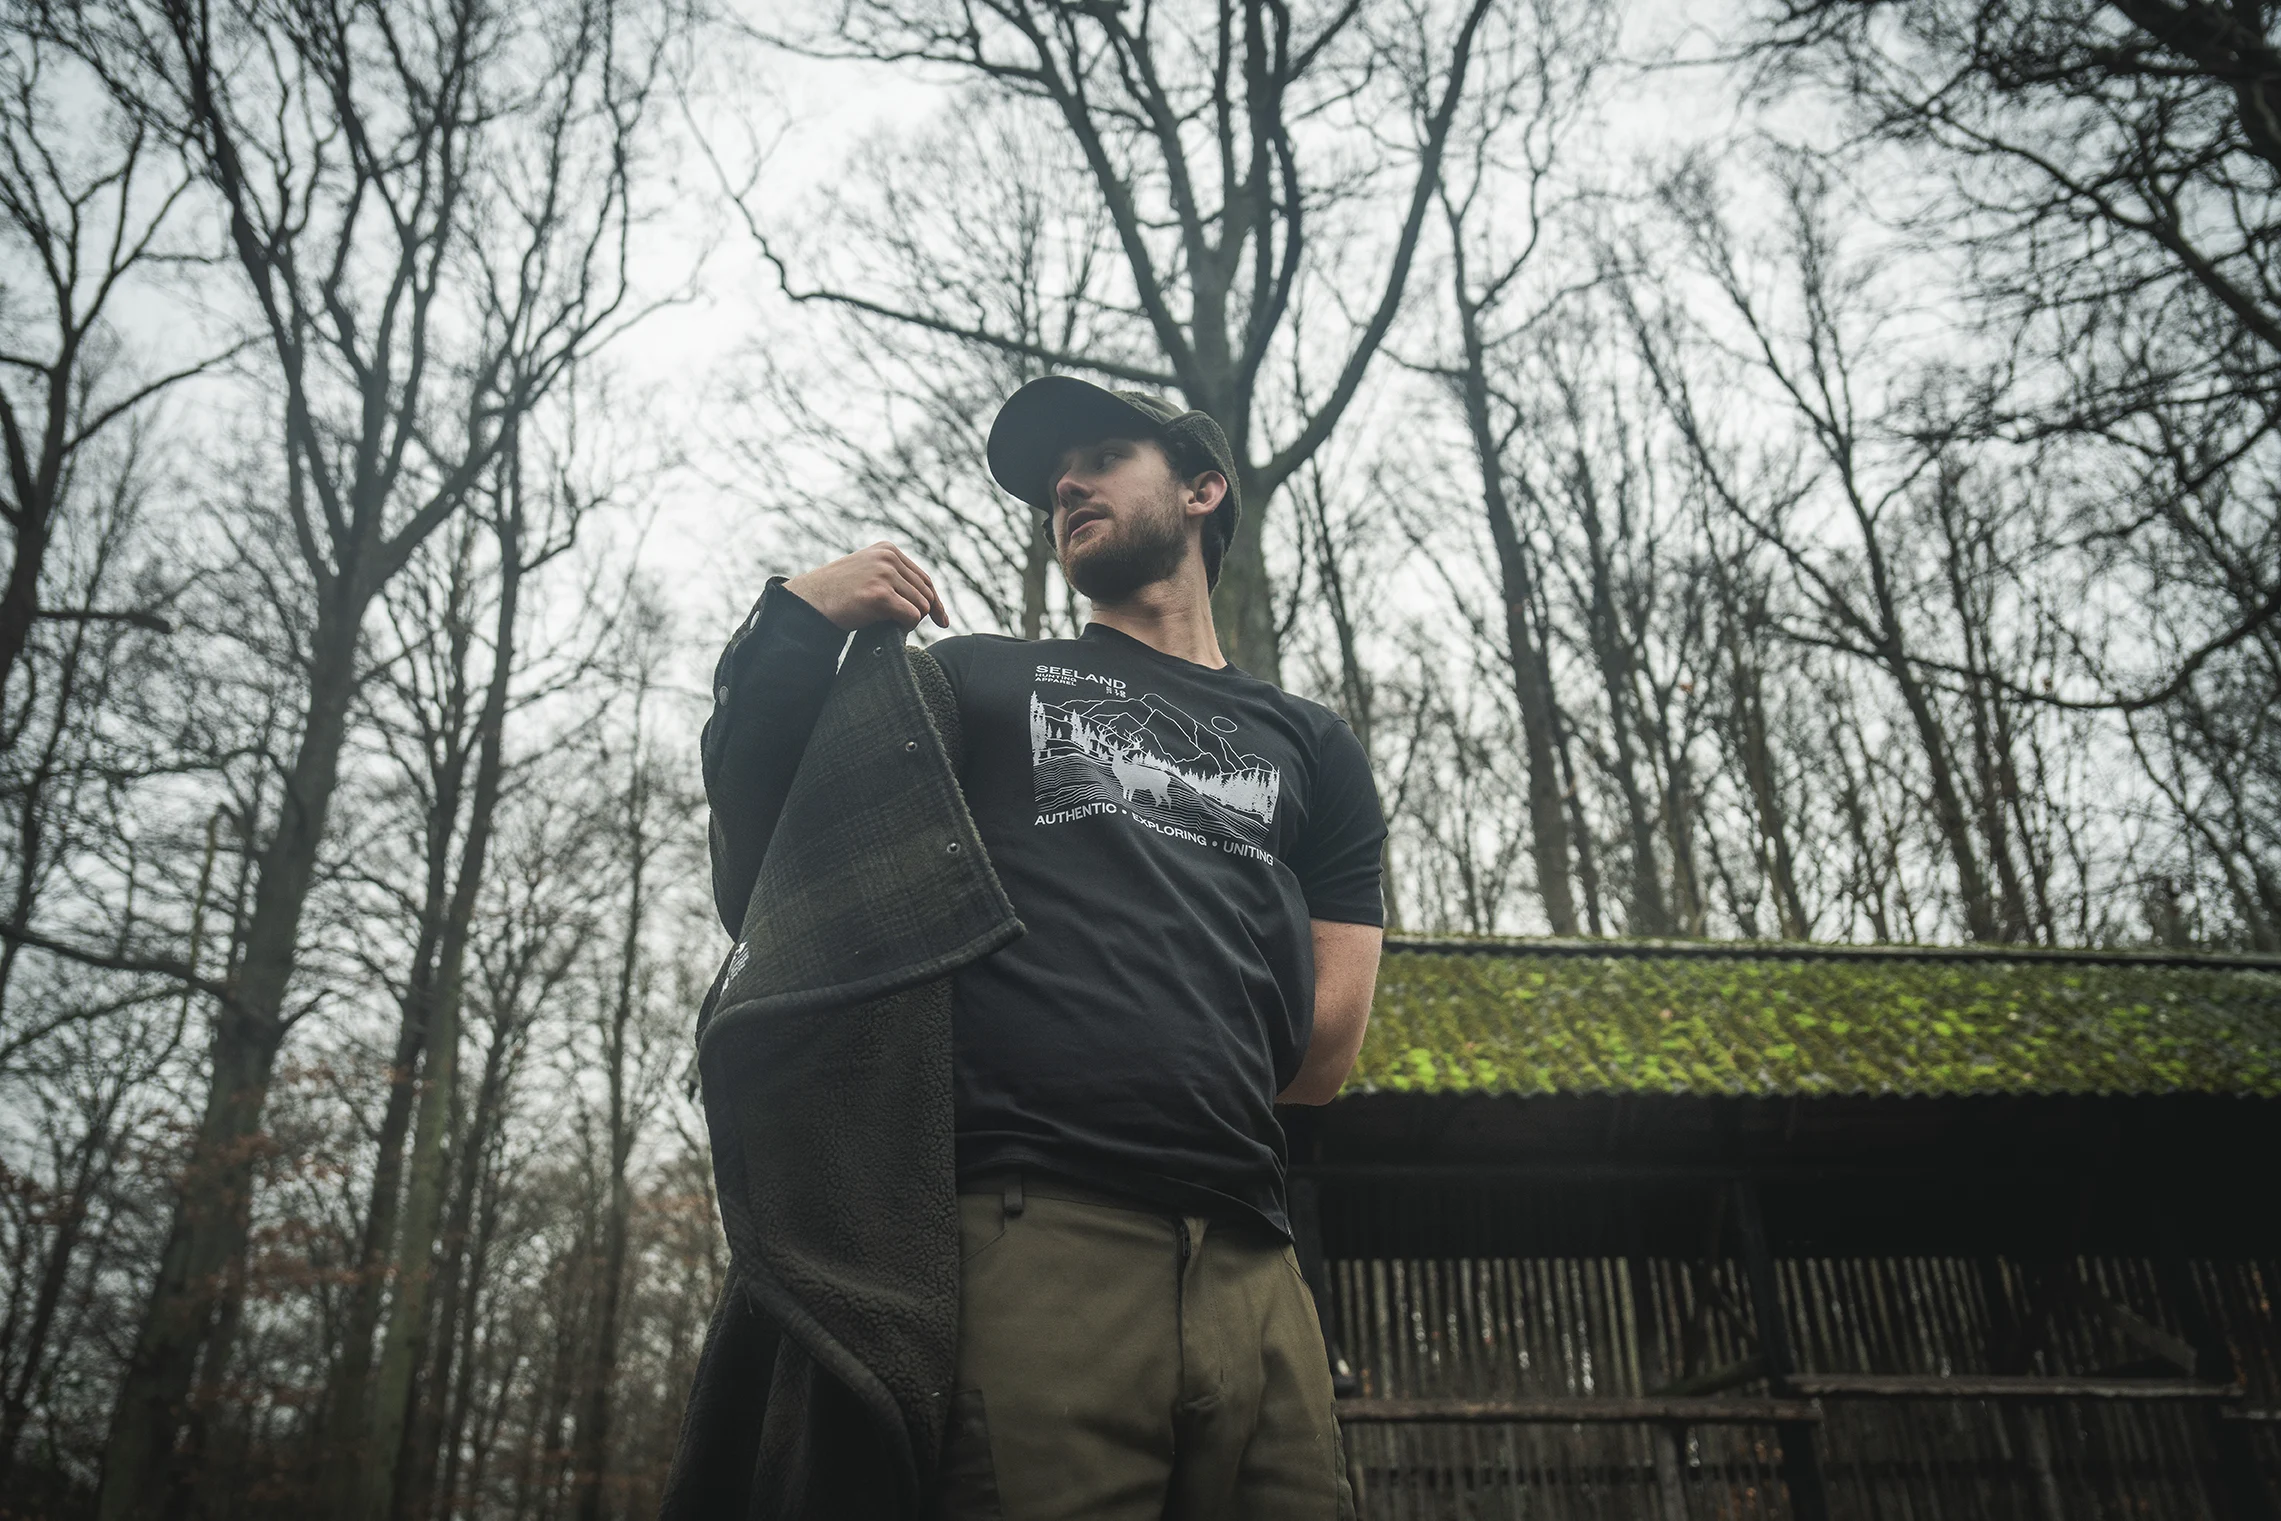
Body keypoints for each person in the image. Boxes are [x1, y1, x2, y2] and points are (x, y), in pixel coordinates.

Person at [718, 375, 1385, 1520]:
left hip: (1254, 1265)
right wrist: (796, 623)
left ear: (1201, 490)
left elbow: (1324, 1051)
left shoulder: (1312, 746)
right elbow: (780, 864)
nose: (1065, 485)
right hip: (1032, 1239)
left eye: (1101, 456)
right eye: (1050, 482)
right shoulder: (976, 682)